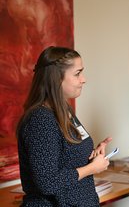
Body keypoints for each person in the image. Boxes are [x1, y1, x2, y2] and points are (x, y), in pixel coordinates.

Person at [17, 46, 111, 206]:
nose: (84, 79)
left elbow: (65, 157)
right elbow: (47, 182)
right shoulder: (40, 119)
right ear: (56, 79)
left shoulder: (64, 110)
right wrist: (92, 169)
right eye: (77, 74)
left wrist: (92, 154)